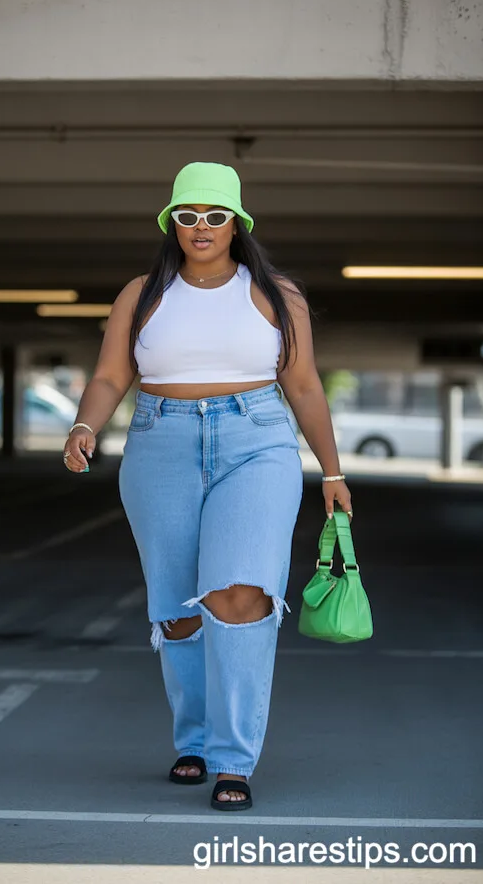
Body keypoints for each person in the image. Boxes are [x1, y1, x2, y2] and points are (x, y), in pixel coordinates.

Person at [62, 161, 352, 811]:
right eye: (188, 216)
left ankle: (233, 758)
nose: (201, 227)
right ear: (171, 223)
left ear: (237, 224)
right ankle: (193, 740)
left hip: (257, 441)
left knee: (242, 592)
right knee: (177, 609)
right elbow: (111, 375)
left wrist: (332, 471)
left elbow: (303, 387)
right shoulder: (142, 294)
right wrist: (85, 425)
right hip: (159, 442)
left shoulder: (277, 295)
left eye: (215, 216)